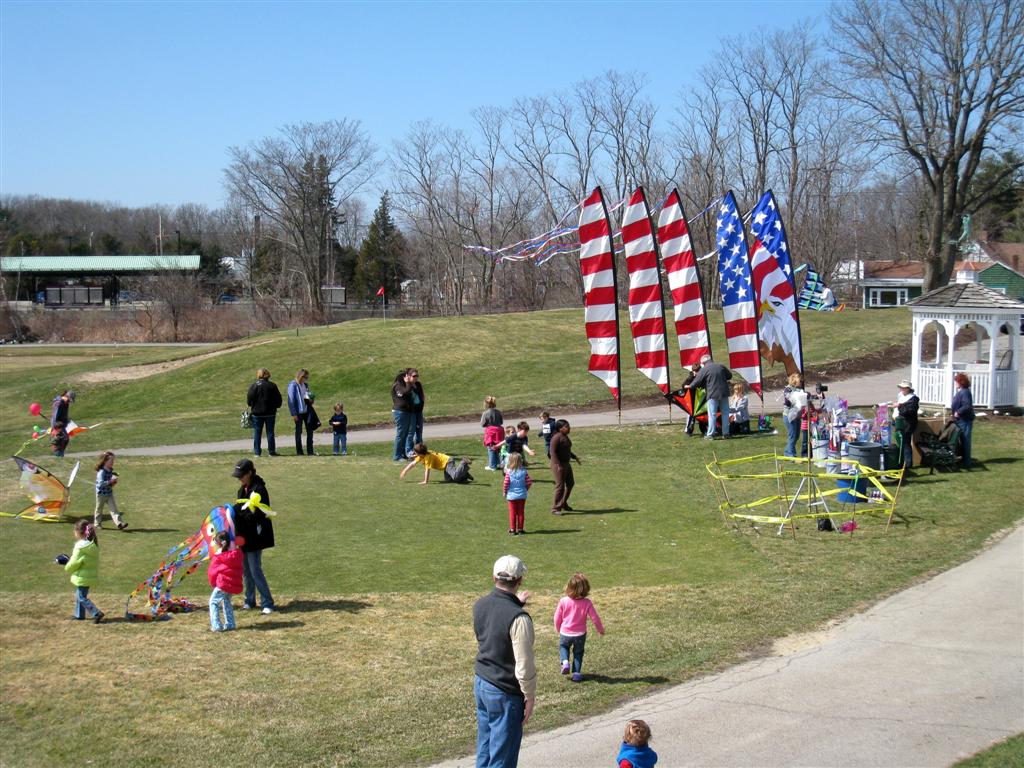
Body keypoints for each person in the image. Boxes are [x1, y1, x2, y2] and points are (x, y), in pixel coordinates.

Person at [473, 555, 536, 768]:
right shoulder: (519, 618)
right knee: (502, 757)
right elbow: (524, 665)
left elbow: (494, 622)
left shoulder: (480, 605)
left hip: (482, 682)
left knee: (485, 746)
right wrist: (529, 697)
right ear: (519, 581)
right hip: (505, 692)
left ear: (494, 577)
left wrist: (516, 603)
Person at [232, 458, 276, 614]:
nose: (239, 478)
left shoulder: (259, 490)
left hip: (256, 536)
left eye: (241, 475)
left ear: (249, 473)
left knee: (255, 569)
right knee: (246, 570)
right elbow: (239, 507)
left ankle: (268, 603)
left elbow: (256, 515)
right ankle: (249, 600)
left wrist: (239, 514)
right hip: (244, 536)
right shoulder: (242, 489)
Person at [553, 572, 604, 683]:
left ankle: (565, 662)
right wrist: (600, 630)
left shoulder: (563, 601)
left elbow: (557, 617)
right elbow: (595, 618)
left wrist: (558, 628)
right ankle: (576, 673)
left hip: (565, 632)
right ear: (586, 589)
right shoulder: (587, 603)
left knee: (563, 647)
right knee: (578, 653)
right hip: (580, 634)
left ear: (569, 587)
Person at [59, 520, 104, 623]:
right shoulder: (92, 545)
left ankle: (96, 613)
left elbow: (74, 563)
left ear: (80, 533)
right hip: (89, 576)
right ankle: (79, 615)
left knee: (81, 597)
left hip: (82, 576)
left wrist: (66, 565)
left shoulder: (80, 547)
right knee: (80, 596)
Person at [686, 354, 732, 439]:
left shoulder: (704, 369)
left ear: (704, 363)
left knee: (712, 415)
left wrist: (690, 386)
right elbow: (730, 376)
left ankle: (710, 434)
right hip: (724, 393)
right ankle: (726, 433)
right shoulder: (721, 366)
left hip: (712, 394)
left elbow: (697, 381)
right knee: (725, 413)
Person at [207, 531, 243, 632]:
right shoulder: (236, 555)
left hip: (222, 584)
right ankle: (230, 624)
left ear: (220, 543)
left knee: (213, 602)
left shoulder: (219, 556)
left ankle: (216, 625)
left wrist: (214, 582)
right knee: (226, 601)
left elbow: (212, 571)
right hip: (231, 585)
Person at [247, 368, 283, 457]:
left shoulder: (254, 385)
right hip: (270, 413)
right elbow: (278, 399)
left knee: (257, 433)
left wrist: (252, 405)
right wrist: (276, 406)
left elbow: (249, 399)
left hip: (257, 413)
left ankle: (257, 452)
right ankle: (271, 451)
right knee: (270, 432)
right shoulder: (272, 385)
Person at [399, 443, 473, 484]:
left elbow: (427, 470)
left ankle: (463, 462)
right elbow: (412, 464)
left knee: (455, 476)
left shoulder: (428, 457)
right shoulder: (422, 456)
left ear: (420, 453)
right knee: (449, 480)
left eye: (416, 452)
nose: (415, 453)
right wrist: (404, 471)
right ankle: (464, 475)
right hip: (445, 465)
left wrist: (425, 481)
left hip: (448, 462)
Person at [550, 419, 581, 514]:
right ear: (560, 428)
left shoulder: (565, 436)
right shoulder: (556, 437)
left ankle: (563, 503)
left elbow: (566, 450)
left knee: (570, 483)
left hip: (566, 464)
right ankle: (555, 508)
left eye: (568, 426)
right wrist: (557, 464)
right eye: (566, 427)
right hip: (559, 465)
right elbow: (552, 452)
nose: (569, 428)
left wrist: (574, 457)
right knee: (560, 486)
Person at [94, 451, 127, 530]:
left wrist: (114, 481)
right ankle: (97, 524)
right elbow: (101, 484)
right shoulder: (101, 472)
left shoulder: (110, 470)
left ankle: (120, 524)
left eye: (113, 460)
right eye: (111, 461)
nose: (113, 462)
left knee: (114, 509)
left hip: (109, 493)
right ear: (105, 461)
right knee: (99, 509)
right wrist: (110, 481)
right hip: (101, 494)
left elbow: (110, 482)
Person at [503, 452, 533, 536]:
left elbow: (506, 483)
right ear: (520, 461)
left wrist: (504, 492)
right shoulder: (524, 472)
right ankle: (520, 529)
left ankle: (513, 529)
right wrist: (525, 489)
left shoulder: (509, 472)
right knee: (521, 512)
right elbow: (529, 482)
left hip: (511, 496)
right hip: (522, 495)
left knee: (512, 513)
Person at [287, 368, 316, 456]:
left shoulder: (305, 385)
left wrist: (311, 400)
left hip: (307, 410)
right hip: (298, 412)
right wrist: (294, 413)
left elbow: (306, 396)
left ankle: (310, 451)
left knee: (310, 430)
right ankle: (299, 451)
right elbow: (291, 400)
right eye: (305, 377)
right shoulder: (293, 385)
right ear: (300, 376)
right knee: (298, 431)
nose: (306, 379)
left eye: (307, 378)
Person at [894, 379, 920, 470]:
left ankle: (908, 463)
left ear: (908, 389)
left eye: (904, 388)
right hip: (901, 421)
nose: (901, 389)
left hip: (908, 423)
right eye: (901, 387)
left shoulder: (913, 399)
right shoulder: (902, 396)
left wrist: (899, 406)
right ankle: (903, 461)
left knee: (905, 443)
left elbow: (909, 411)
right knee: (901, 441)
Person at [951, 373, 975, 469]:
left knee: (965, 440)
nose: (955, 383)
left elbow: (967, 405)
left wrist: (958, 412)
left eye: (957, 381)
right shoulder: (960, 391)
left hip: (964, 420)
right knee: (961, 440)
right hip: (960, 420)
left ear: (961, 382)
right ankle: (963, 459)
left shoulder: (965, 392)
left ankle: (967, 462)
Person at [391, 370, 415, 461]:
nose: (408, 378)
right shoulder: (397, 386)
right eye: (407, 376)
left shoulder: (405, 385)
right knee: (401, 434)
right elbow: (406, 393)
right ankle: (397, 456)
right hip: (400, 412)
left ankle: (402, 454)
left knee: (405, 434)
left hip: (406, 412)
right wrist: (408, 383)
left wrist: (408, 383)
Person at [782, 373, 807, 458]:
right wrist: (788, 402)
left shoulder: (799, 389)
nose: (802, 382)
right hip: (789, 416)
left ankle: (787, 452)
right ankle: (790, 454)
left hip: (797, 416)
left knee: (796, 436)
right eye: (800, 380)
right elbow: (789, 400)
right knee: (792, 435)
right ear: (794, 380)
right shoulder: (788, 389)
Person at [481, 396, 505, 471]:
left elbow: (482, 424)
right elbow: (501, 422)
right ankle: (500, 463)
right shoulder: (498, 412)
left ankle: (492, 465)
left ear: (486, 404)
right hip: (499, 430)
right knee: (499, 447)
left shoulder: (485, 413)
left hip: (491, 431)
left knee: (491, 448)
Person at [680, 363, 702, 436]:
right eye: (695, 371)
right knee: (690, 415)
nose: (696, 373)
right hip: (691, 399)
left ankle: (704, 429)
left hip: (700, 398)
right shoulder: (690, 377)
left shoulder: (702, 376)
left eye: (697, 371)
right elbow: (684, 385)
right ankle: (688, 430)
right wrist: (690, 386)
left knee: (700, 415)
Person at [408, 368, 426, 450]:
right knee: (411, 431)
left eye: (417, 376)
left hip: (419, 410)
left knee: (419, 430)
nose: (416, 377)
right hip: (411, 411)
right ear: (409, 376)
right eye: (414, 376)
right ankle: (409, 449)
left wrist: (423, 400)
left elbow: (422, 394)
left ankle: (420, 448)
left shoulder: (418, 384)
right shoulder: (407, 385)